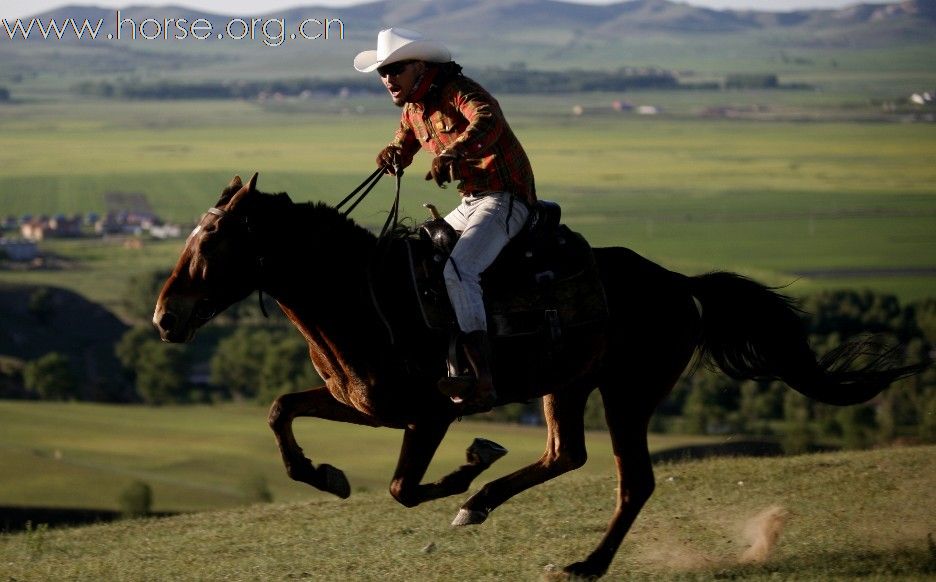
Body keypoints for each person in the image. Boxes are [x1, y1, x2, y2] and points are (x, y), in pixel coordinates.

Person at [354, 27, 536, 411]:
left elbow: (487, 118)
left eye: (395, 70)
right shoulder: (413, 110)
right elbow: (403, 145)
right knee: (416, 258)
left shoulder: (460, 91)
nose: (387, 79)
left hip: (506, 198)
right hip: (471, 201)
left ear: (419, 66)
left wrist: (454, 151)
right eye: (382, 73)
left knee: (460, 271)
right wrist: (390, 155)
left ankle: (481, 373)